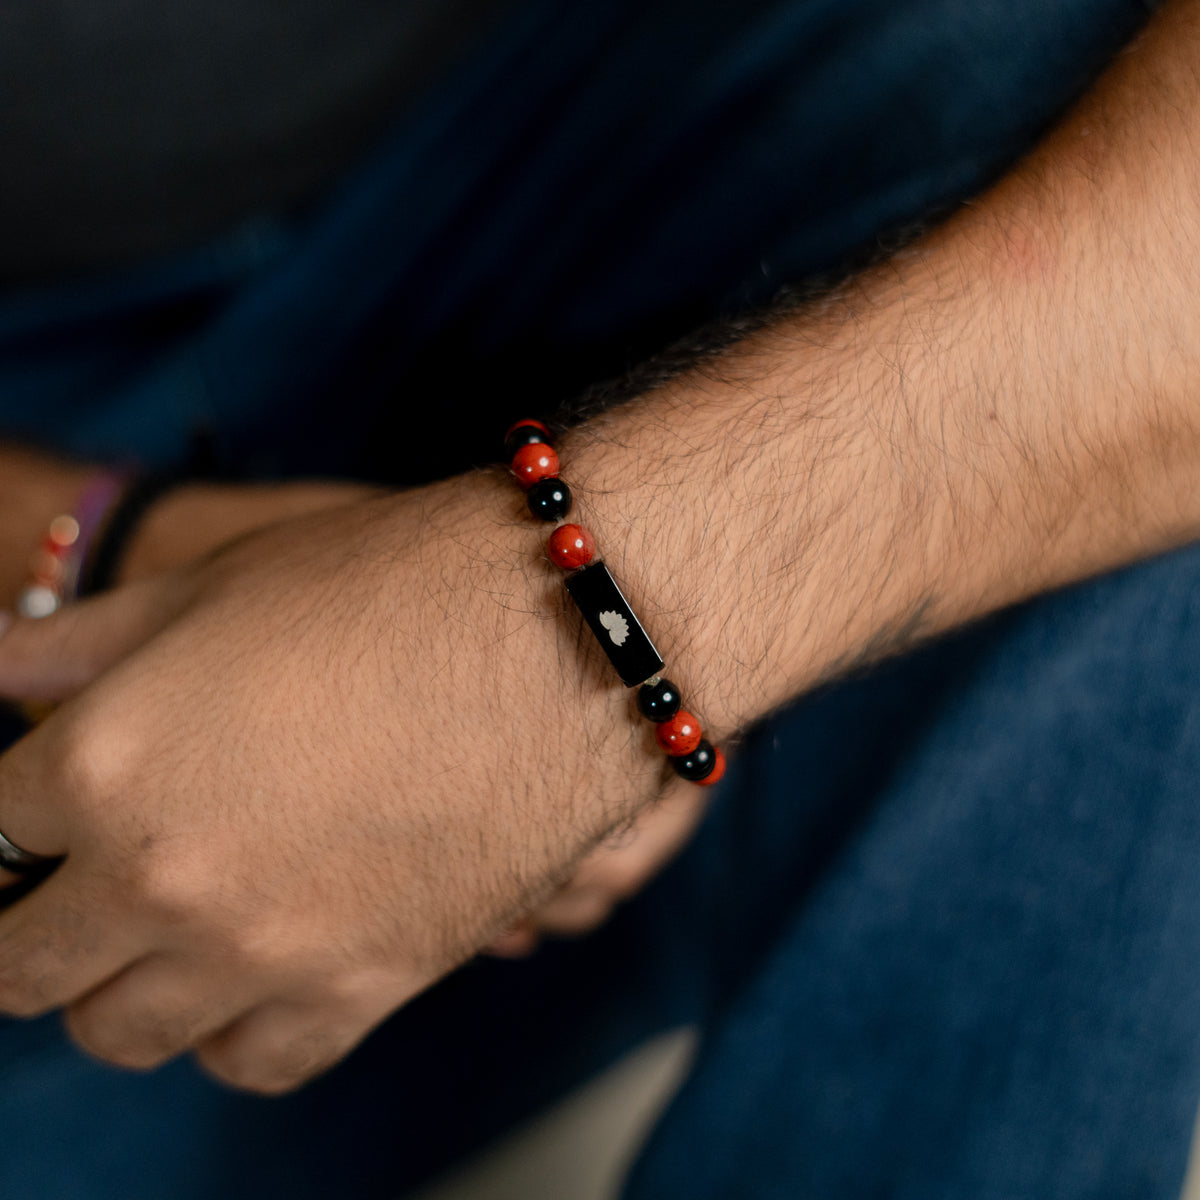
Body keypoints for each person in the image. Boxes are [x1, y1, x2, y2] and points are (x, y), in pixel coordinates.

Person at [0, 0, 1197, 1195]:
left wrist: (565, 644)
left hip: (556, 166)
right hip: (104, 763)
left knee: (1098, 247)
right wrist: (111, 545)